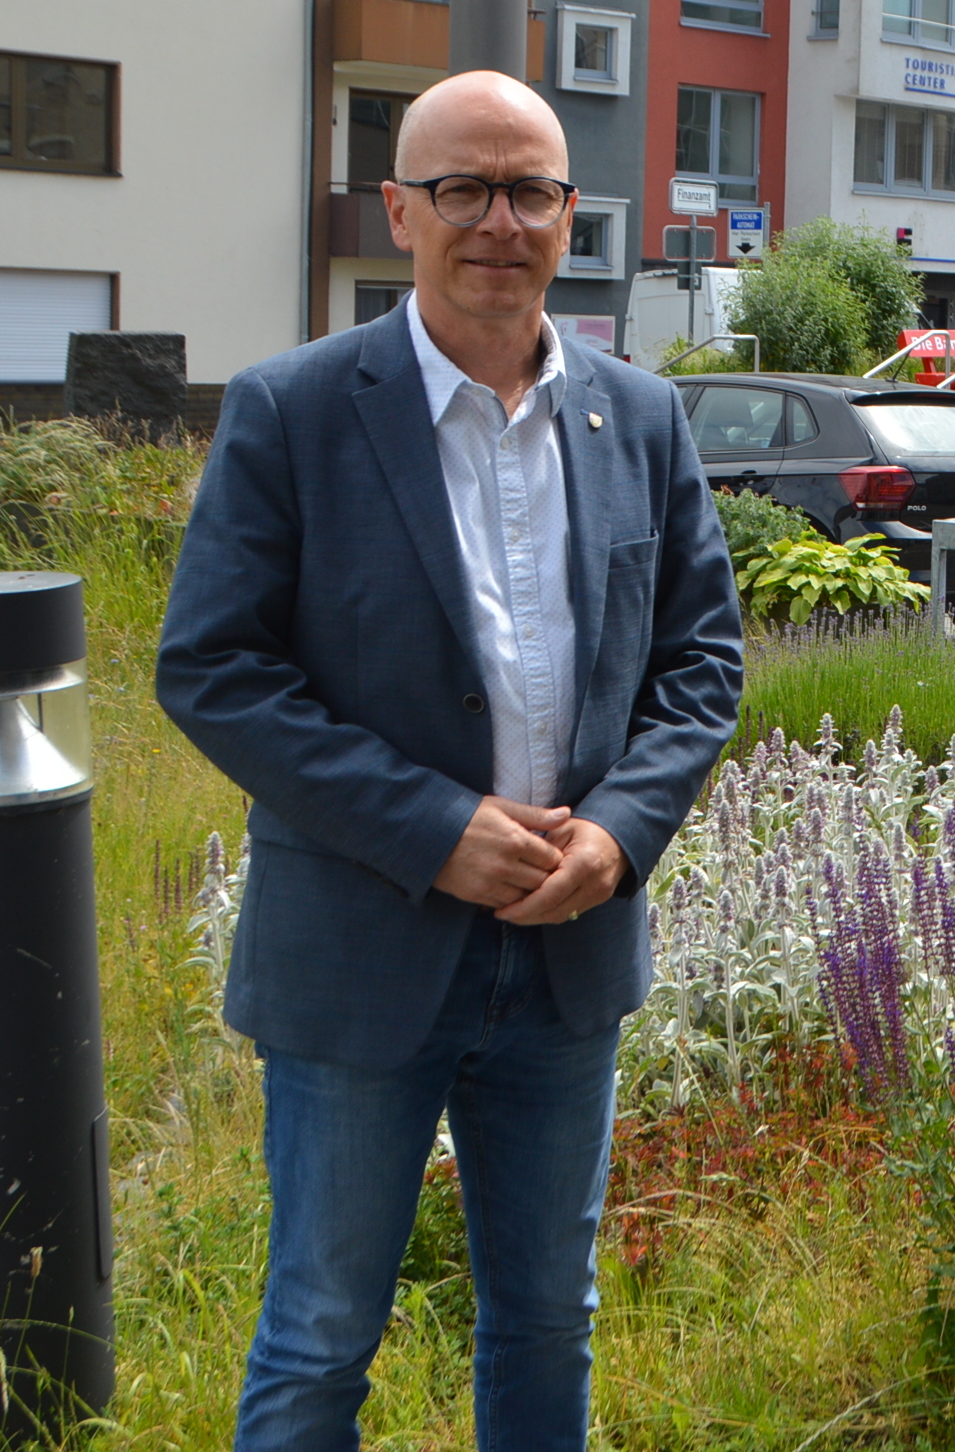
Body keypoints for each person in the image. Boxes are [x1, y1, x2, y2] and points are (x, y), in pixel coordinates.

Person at [158, 70, 744, 1447]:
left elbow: (702, 663)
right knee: (318, 1336)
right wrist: (432, 827)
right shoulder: (294, 410)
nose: (499, 219)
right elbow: (213, 667)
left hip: (564, 951)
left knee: (548, 1318)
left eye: (529, 189)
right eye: (464, 189)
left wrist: (617, 836)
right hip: (363, 949)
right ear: (399, 210)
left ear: (567, 214)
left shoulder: (640, 420)